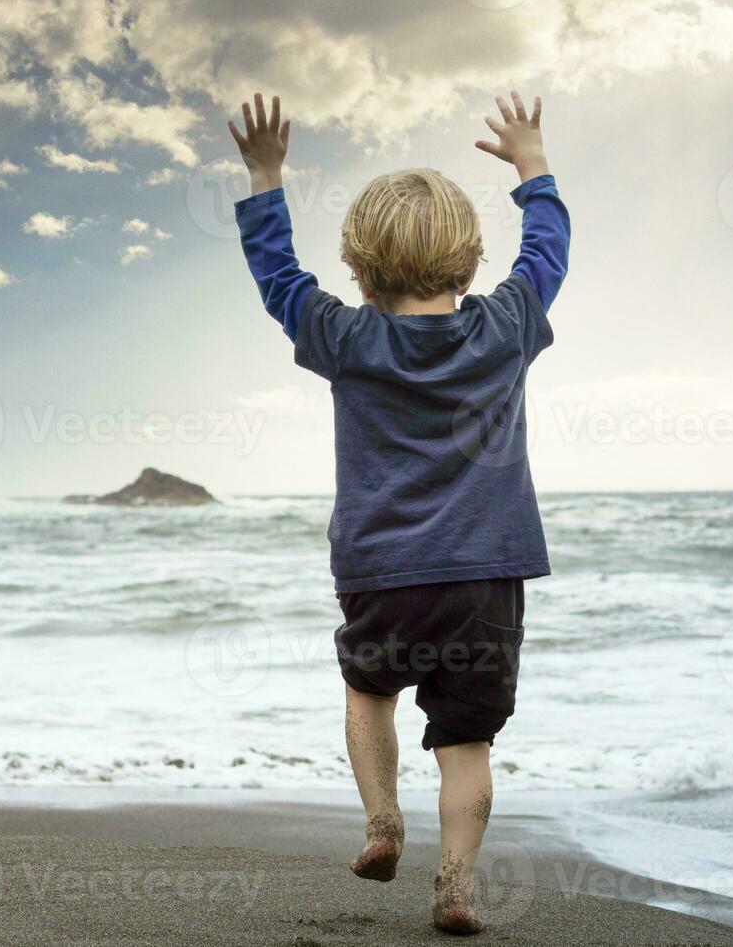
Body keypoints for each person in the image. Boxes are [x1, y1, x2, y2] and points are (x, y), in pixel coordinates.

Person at [228, 90, 570, 935]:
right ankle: (453, 886)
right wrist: (532, 164)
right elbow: (549, 250)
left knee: (368, 689)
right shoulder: (508, 325)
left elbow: (278, 279)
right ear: (466, 256)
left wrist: (266, 176)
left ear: (360, 267)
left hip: (383, 574)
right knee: (467, 746)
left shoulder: (346, 339)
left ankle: (382, 823)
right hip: (488, 577)